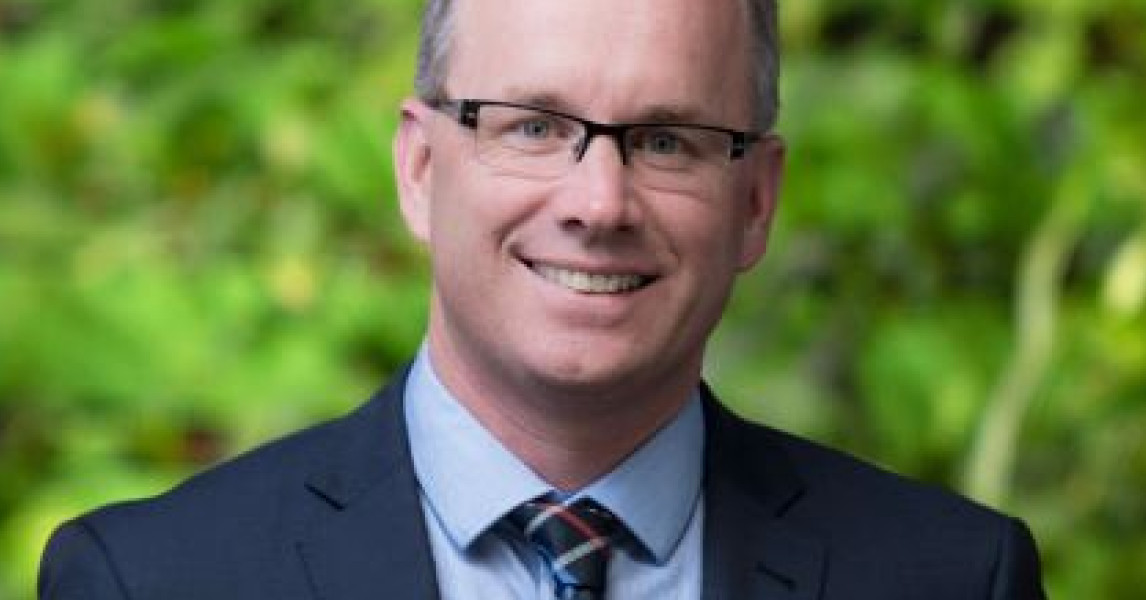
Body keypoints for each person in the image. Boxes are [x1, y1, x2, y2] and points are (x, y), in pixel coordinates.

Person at [39, 0, 1047, 598]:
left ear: (756, 201)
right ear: (420, 169)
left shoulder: (952, 580)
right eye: (532, 127)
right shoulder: (153, 581)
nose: (598, 203)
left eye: (667, 141)